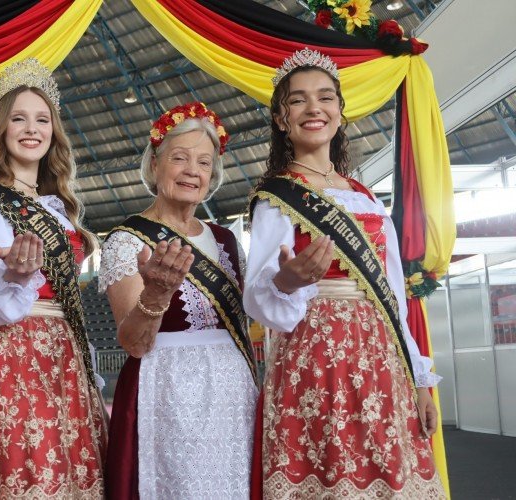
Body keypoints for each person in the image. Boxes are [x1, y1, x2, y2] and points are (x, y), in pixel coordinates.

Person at [244, 48, 446, 498]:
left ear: (339, 111)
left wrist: (419, 382)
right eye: (297, 100)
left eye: (325, 97)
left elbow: (392, 294)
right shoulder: (276, 197)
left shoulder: (367, 198)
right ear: (281, 119)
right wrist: (287, 281)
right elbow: (255, 296)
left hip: (381, 357)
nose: (313, 108)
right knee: (330, 470)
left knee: (388, 472)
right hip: (315, 359)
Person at [100, 102, 259, 499]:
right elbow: (134, 342)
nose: (192, 170)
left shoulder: (226, 240)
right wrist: (155, 295)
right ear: (155, 165)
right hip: (165, 392)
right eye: (180, 158)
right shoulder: (127, 240)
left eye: (204, 163)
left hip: (232, 397)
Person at [0, 58, 106, 499]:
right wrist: (12, 272)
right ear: (1, 131)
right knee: (32, 473)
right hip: (15, 351)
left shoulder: (58, 206)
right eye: (18, 118)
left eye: (42, 119)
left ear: (54, 131)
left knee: (74, 472)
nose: (31, 128)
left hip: (65, 349)